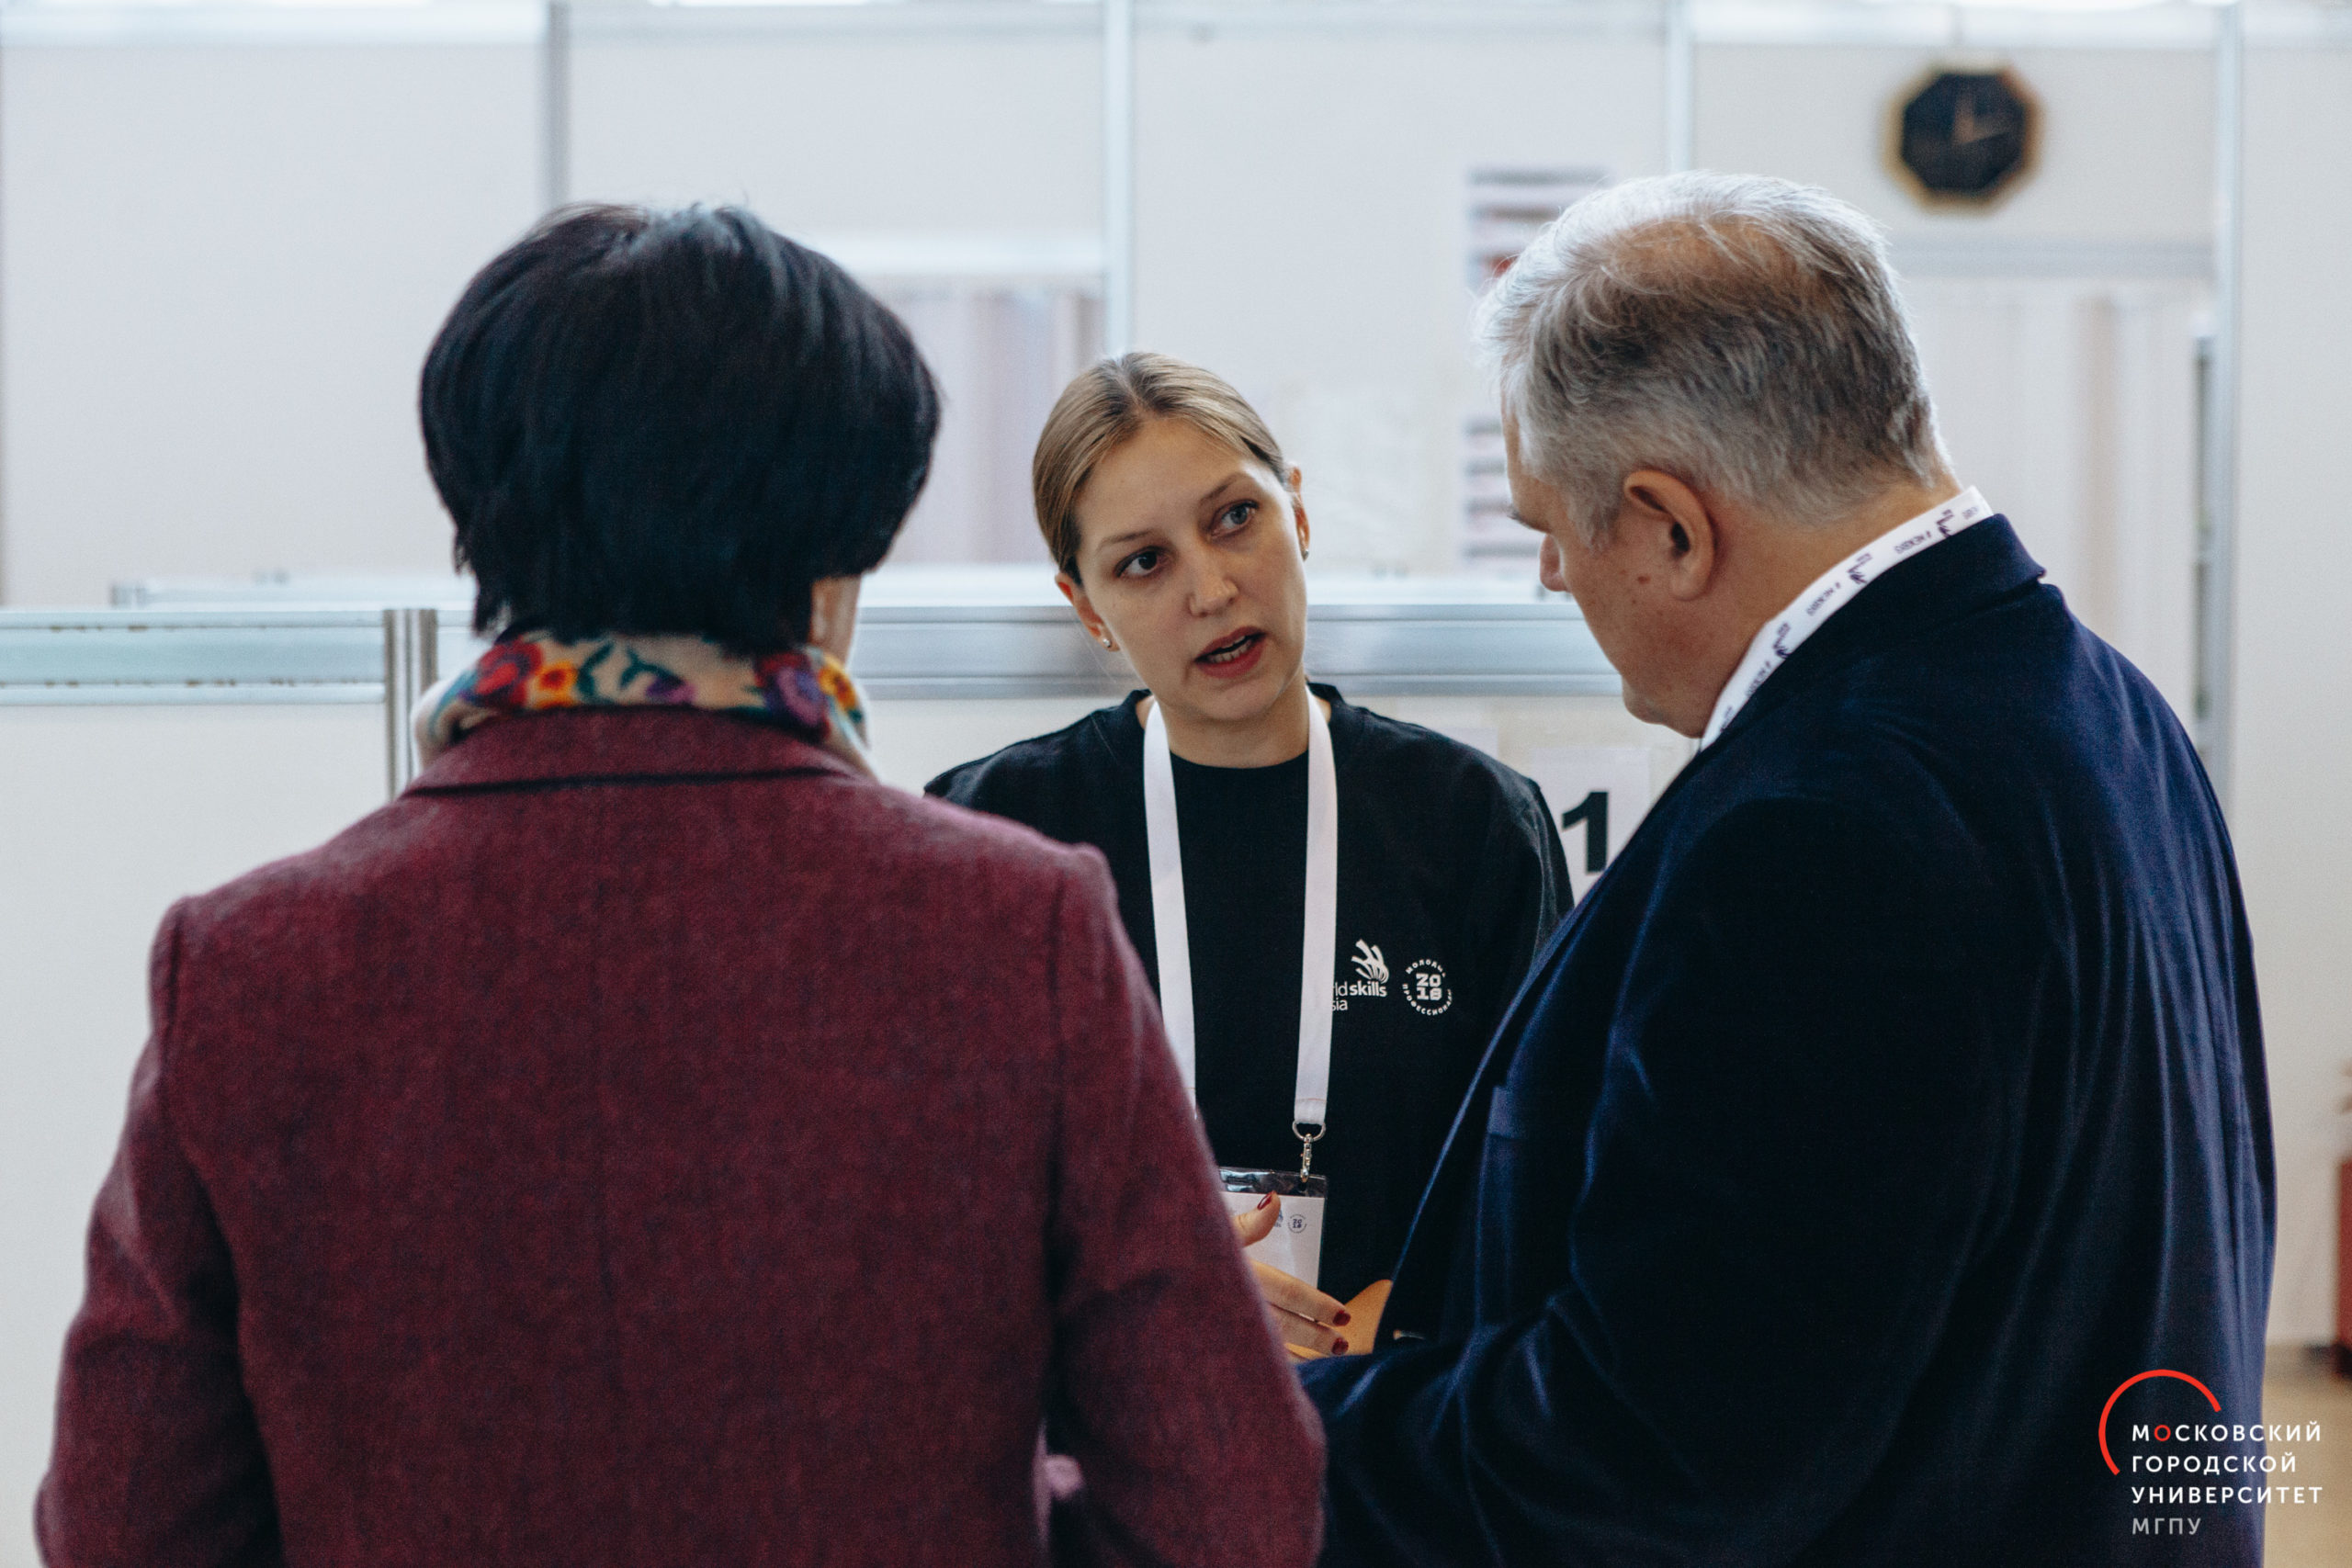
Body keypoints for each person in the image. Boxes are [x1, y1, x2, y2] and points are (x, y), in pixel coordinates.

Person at [38, 206, 1323, 1568]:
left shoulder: (248, 967)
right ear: (837, 559)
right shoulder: (1017, 933)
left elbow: (123, 1525)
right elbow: (1231, 1506)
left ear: (481, 521)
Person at [1300, 174, 2272, 1564]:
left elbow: (1655, 1452)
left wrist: (1250, 1427)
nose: (1552, 579)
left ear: (1671, 526)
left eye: (1547, 528)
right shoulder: (2102, 707)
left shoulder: (1827, 831)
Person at [928, 355, 1570, 1356]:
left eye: (1235, 518)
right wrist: (1149, 1286)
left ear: (1297, 514)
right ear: (1086, 607)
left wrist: (1407, 1311)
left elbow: (1545, 1175)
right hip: (1111, 1414)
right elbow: (937, 1205)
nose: (1213, 589)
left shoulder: (1474, 823)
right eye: (1144, 562)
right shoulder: (996, 834)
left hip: (1398, 1410)